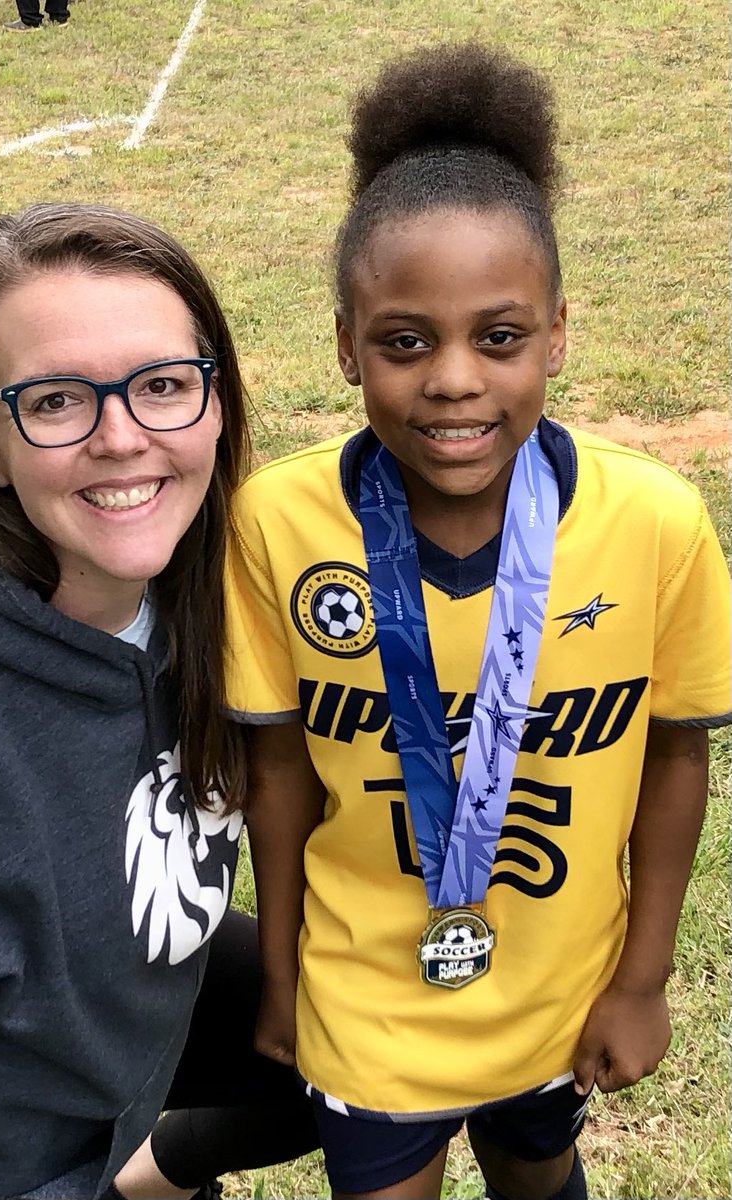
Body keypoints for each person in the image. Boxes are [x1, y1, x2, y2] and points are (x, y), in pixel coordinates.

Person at [224, 42, 731, 1200]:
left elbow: (673, 753)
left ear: (556, 333)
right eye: (405, 341)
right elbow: (279, 773)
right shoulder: (279, 524)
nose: (454, 378)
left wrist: (644, 978)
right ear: (347, 344)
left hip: (564, 986)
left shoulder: (655, 522)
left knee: (537, 1174)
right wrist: (285, 980)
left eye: (498, 337)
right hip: (366, 995)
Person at [0, 202, 317, 1199]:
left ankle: (151, 1175)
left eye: (164, 385)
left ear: (217, 403)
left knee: (387, 1016)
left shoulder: (217, 591)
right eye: (56, 402)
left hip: (112, 1053)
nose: (123, 437)